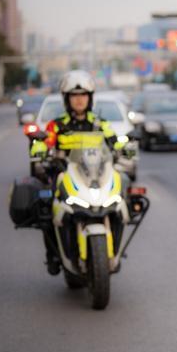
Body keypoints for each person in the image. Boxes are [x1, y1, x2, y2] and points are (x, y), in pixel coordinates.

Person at [30, 70, 128, 275]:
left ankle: (115, 250)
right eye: (74, 96)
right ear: (67, 99)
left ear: (90, 98)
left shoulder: (100, 124)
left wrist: (124, 146)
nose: (79, 100)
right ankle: (53, 256)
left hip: (95, 175)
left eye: (83, 95)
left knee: (121, 197)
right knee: (46, 207)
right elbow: (43, 143)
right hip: (66, 174)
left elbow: (114, 142)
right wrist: (40, 150)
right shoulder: (57, 125)